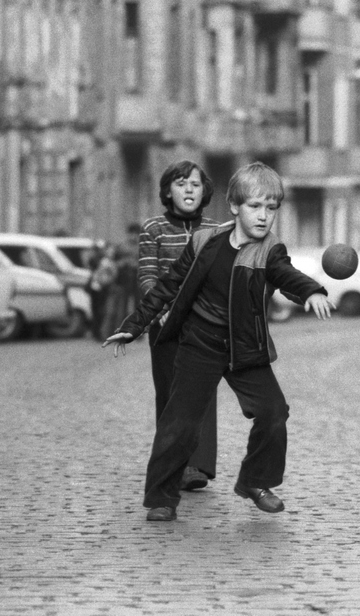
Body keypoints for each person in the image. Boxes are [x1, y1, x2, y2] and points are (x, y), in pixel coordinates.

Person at [102, 162, 335, 522]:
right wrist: (133, 326)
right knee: (178, 422)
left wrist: (311, 291)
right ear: (234, 207)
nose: (264, 216)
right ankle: (161, 498)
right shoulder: (203, 242)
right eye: (255, 207)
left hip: (245, 348)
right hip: (200, 343)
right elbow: (167, 287)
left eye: (271, 208)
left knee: (274, 412)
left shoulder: (270, 249)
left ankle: (256, 482)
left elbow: (285, 273)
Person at [137, 160, 220, 491]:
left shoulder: (216, 231)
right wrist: (159, 308)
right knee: (171, 395)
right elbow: (146, 275)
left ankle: (198, 466)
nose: (189, 189)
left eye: (196, 184)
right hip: (166, 325)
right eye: (181, 183)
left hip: (206, 324)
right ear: (168, 191)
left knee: (203, 395)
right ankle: (173, 464)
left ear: (204, 192)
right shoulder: (153, 229)